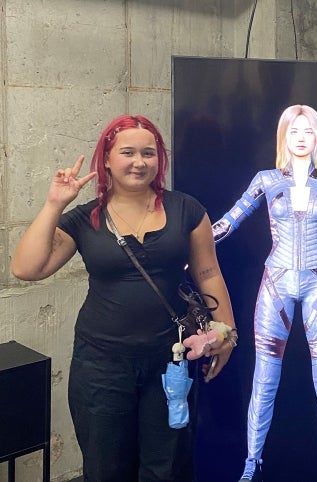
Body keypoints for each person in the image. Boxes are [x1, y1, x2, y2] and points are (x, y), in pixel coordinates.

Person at [11, 114, 237, 481]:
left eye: (149, 153)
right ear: (107, 160)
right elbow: (27, 268)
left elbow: (209, 274)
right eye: (128, 152)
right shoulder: (85, 219)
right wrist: (55, 203)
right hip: (101, 365)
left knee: (166, 467)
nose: (139, 161)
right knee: (106, 469)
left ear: (159, 160)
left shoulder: (187, 210)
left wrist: (225, 332)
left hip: (171, 359)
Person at [212, 104, 317, 482]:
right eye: (294, 130)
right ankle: (252, 462)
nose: (300, 136)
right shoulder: (265, 179)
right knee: (264, 376)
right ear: (284, 135)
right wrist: (192, 245)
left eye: (308, 130)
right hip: (276, 280)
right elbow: (231, 219)